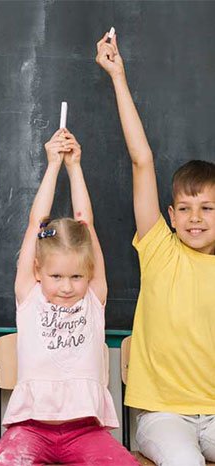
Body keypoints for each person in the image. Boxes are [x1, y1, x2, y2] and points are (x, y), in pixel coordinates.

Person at [97, 31, 215, 465]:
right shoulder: (160, 251)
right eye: (185, 208)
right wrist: (118, 76)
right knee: (186, 463)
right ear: (170, 214)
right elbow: (142, 160)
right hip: (164, 416)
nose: (195, 218)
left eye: (207, 208)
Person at [0, 128, 136, 465]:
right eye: (56, 277)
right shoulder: (30, 296)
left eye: (77, 277)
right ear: (38, 270)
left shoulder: (93, 300)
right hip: (31, 430)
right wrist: (54, 165)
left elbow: (86, 221)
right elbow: (35, 224)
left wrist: (75, 166)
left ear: (89, 274)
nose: (67, 286)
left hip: (85, 432)